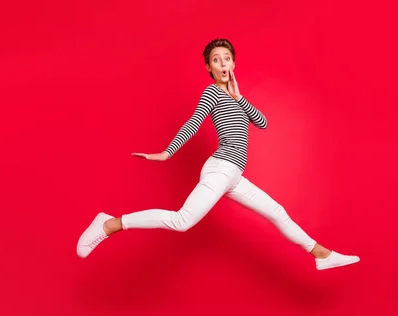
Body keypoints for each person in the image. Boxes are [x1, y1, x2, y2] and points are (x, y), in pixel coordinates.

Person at [76, 38, 360, 270]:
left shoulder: (235, 97)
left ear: (233, 64)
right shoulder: (211, 93)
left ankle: (320, 254)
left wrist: (240, 98)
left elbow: (262, 122)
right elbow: (194, 122)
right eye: (215, 60)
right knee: (182, 221)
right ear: (209, 69)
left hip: (233, 176)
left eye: (226, 58)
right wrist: (167, 153)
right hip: (220, 168)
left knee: (276, 212)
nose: (222, 63)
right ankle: (111, 223)